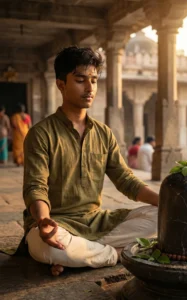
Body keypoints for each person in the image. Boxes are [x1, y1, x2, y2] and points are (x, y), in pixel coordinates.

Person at [23, 47, 159, 276]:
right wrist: (44, 220)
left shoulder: (104, 133)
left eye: (94, 81)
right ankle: (117, 253)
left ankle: (87, 256)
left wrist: (166, 202)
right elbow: (36, 187)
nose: (90, 88)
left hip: (98, 222)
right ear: (61, 84)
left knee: (163, 218)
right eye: (80, 80)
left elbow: (126, 180)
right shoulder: (41, 134)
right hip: (57, 224)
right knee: (44, 246)